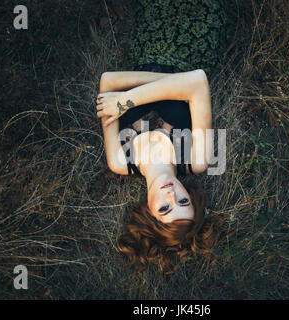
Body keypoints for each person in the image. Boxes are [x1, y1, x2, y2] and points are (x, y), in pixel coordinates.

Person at [96, 0, 236, 274]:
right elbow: (198, 80)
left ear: (148, 212)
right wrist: (126, 101)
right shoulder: (196, 160)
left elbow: (108, 81)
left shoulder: (119, 160)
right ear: (191, 198)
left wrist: (175, 86)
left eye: (164, 208)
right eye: (183, 202)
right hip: (198, 40)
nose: (172, 195)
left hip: (149, 40)